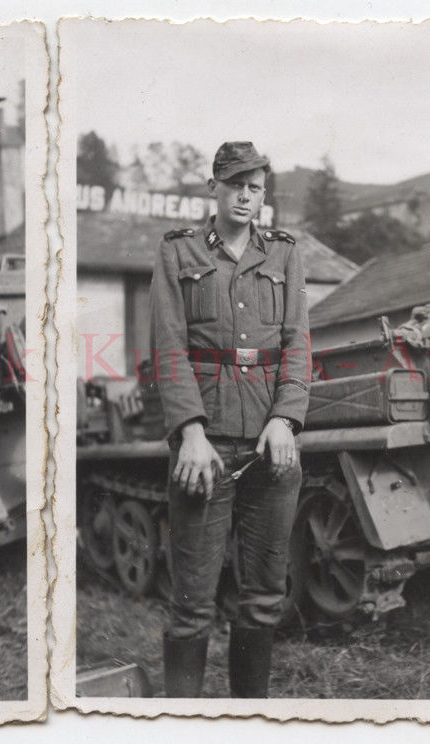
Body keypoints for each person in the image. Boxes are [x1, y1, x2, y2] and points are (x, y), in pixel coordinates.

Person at [149, 141, 312, 698]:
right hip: (205, 446)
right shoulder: (178, 252)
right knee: (192, 603)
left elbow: (297, 345)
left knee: (264, 596)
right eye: (236, 184)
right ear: (212, 188)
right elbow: (168, 349)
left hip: (271, 445)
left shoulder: (285, 254)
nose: (246, 196)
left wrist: (286, 420)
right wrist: (190, 432)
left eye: (256, 187)